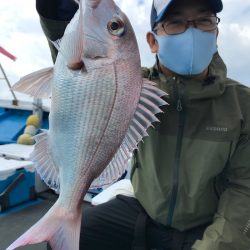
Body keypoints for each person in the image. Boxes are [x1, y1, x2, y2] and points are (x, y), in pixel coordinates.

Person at [45, 0, 250, 249]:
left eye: (204, 21)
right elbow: (78, 79)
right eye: (175, 22)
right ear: (153, 41)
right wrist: (56, 12)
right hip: (144, 211)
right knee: (77, 235)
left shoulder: (243, 103)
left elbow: (244, 187)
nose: (193, 32)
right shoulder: (132, 85)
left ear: (216, 33)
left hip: (208, 223)